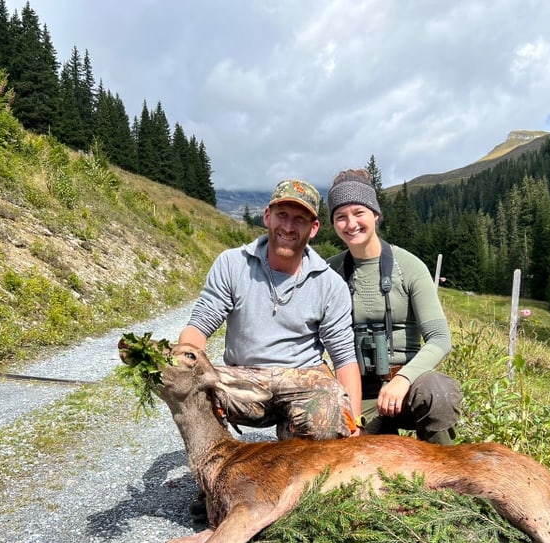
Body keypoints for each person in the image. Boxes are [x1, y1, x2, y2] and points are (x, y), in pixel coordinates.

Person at [178, 179, 363, 519]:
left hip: (301, 379)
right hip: (242, 378)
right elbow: (201, 323)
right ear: (267, 216)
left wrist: (354, 424)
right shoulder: (232, 264)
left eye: (300, 219)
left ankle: (305, 488)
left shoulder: (330, 284)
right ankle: (213, 481)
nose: (289, 227)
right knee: (190, 384)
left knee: (327, 402)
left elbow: (344, 357)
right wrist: (183, 361)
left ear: (314, 227)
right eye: (282, 215)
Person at [326, 169, 462, 445]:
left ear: (375, 214)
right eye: (341, 217)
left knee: (438, 392)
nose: (350, 224)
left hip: (408, 385)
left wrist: (404, 379)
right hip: (357, 389)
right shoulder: (329, 271)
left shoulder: (409, 267)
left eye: (358, 213)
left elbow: (440, 339)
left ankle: (444, 470)